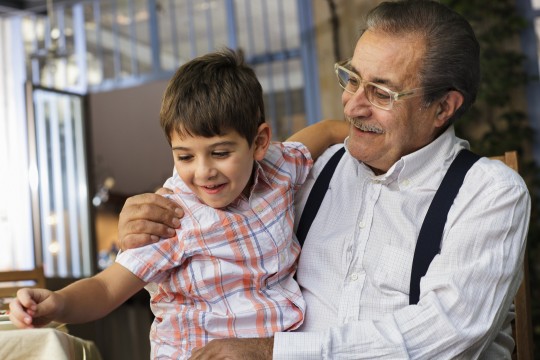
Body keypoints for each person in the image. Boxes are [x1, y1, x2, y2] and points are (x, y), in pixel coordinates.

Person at [116, 1, 531, 359]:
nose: (353, 105)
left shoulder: (489, 194)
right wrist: (150, 216)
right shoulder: (312, 172)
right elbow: (219, 182)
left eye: (381, 93)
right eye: (352, 79)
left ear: (443, 108)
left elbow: (446, 339)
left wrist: (271, 351)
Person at [9, 49, 349, 359]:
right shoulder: (169, 215)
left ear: (259, 142)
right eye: (184, 156)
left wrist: (346, 131)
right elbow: (106, 287)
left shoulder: (277, 166)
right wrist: (59, 303)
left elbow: (318, 134)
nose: (204, 172)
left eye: (220, 153)